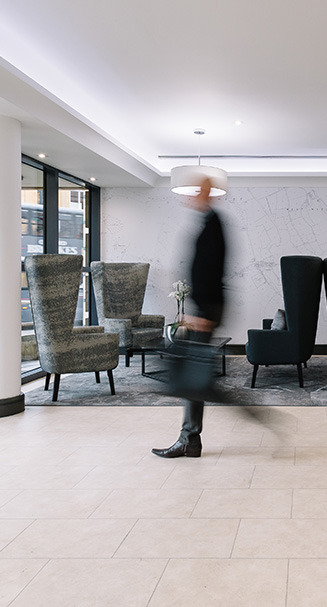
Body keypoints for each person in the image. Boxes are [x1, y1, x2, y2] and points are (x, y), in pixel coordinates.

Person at [152, 176, 226, 459]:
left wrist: (202, 313)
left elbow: (213, 269)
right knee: (194, 375)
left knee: (194, 377)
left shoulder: (214, 224)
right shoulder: (208, 223)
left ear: (208, 192)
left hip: (207, 309)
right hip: (205, 307)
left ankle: (189, 439)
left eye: (199, 189)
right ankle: (189, 439)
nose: (193, 195)